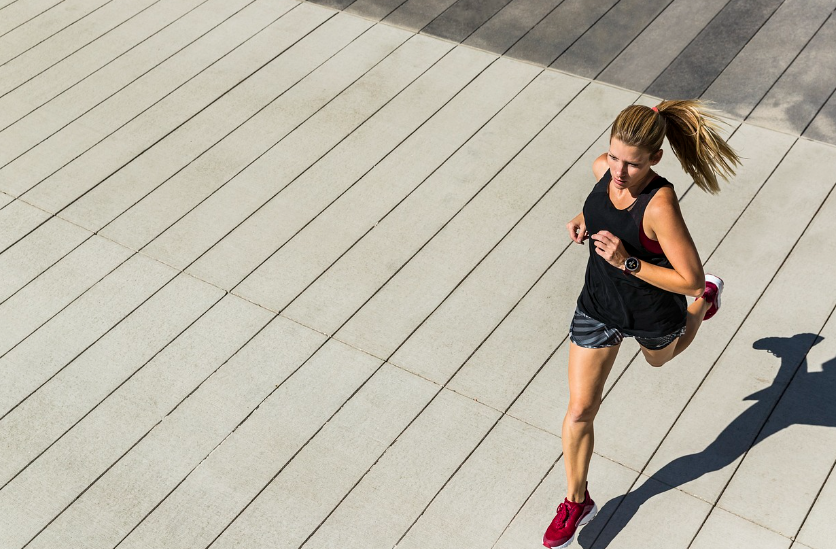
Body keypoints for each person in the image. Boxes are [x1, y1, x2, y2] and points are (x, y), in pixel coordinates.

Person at [542, 100, 741, 549]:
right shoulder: (603, 170)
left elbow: (687, 277)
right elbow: (599, 200)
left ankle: (708, 303)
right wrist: (582, 217)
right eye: (614, 156)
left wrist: (627, 261)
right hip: (598, 305)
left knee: (660, 360)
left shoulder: (659, 204)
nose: (618, 171)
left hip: (653, 310)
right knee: (579, 411)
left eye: (631, 163)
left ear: (654, 159)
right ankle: (577, 500)